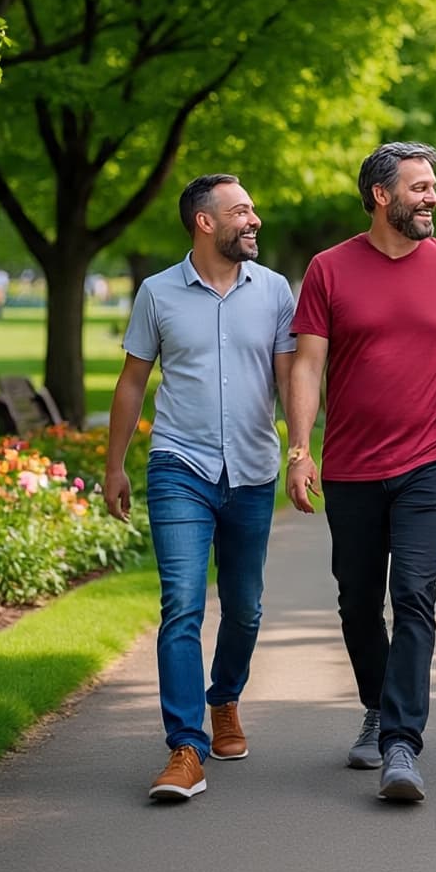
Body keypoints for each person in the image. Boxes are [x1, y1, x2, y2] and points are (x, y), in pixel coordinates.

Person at [286, 142, 436, 803]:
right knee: (357, 598)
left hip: (430, 458)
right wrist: (299, 449)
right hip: (352, 465)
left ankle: (401, 741)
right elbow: (308, 364)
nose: (432, 198)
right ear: (381, 195)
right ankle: (376, 704)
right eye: (420, 187)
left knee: (416, 593)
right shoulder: (328, 269)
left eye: (433, 186)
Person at [104, 174, 295, 802]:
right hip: (179, 468)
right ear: (204, 222)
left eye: (253, 208)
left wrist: (299, 449)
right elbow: (133, 382)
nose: (255, 219)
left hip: (251, 470)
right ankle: (186, 747)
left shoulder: (273, 292)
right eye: (241, 210)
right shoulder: (157, 293)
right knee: (181, 605)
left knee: (244, 607)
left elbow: (292, 375)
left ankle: (226, 698)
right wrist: (115, 465)